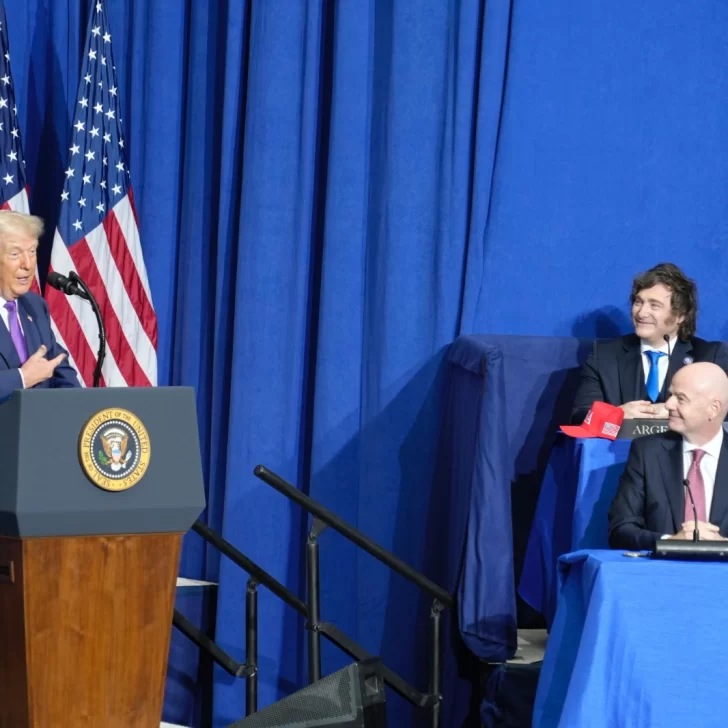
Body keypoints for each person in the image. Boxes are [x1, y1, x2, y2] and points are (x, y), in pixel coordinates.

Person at [570, 263, 728, 424]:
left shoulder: (710, 357)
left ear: (680, 315)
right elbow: (579, 417)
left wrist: (678, 410)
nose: (642, 313)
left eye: (654, 305)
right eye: (638, 302)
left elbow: (724, 414)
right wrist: (616, 414)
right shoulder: (604, 355)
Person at [608, 362, 728, 550]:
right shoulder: (647, 451)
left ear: (713, 408)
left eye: (681, 398)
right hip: (662, 567)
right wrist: (670, 541)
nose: (668, 404)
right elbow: (621, 530)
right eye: (671, 395)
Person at [0, 210, 80, 402]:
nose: (28, 264)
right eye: (15, 254)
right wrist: (21, 378)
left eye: (32, 251)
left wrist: (76, 406)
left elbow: (60, 370)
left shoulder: (34, 306)